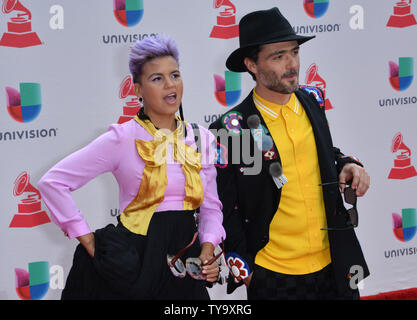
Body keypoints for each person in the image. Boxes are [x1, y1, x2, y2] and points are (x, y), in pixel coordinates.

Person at [38, 35, 225, 300]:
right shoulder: (122, 138)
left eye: (175, 75)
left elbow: (211, 207)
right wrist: (88, 239)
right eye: (157, 78)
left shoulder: (201, 138)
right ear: (137, 90)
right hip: (134, 266)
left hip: (185, 262)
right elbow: (53, 182)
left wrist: (207, 248)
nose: (170, 85)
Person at [209, 7, 370, 300]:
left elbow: (322, 154)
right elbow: (224, 208)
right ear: (251, 65)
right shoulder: (233, 128)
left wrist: (347, 164)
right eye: (278, 56)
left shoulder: (313, 100)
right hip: (274, 276)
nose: (291, 64)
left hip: (336, 265)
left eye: (294, 52)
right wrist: (249, 275)